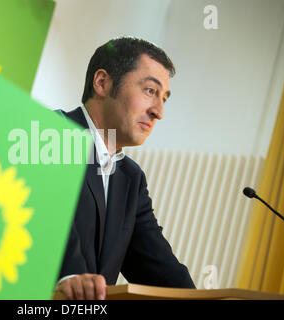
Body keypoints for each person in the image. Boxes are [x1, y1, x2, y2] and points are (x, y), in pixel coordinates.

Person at [56, 37, 196, 300]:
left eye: (164, 98)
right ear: (102, 83)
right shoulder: (50, 134)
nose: (159, 111)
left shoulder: (131, 178)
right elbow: (41, 219)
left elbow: (159, 267)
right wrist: (69, 276)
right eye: (150, 91)